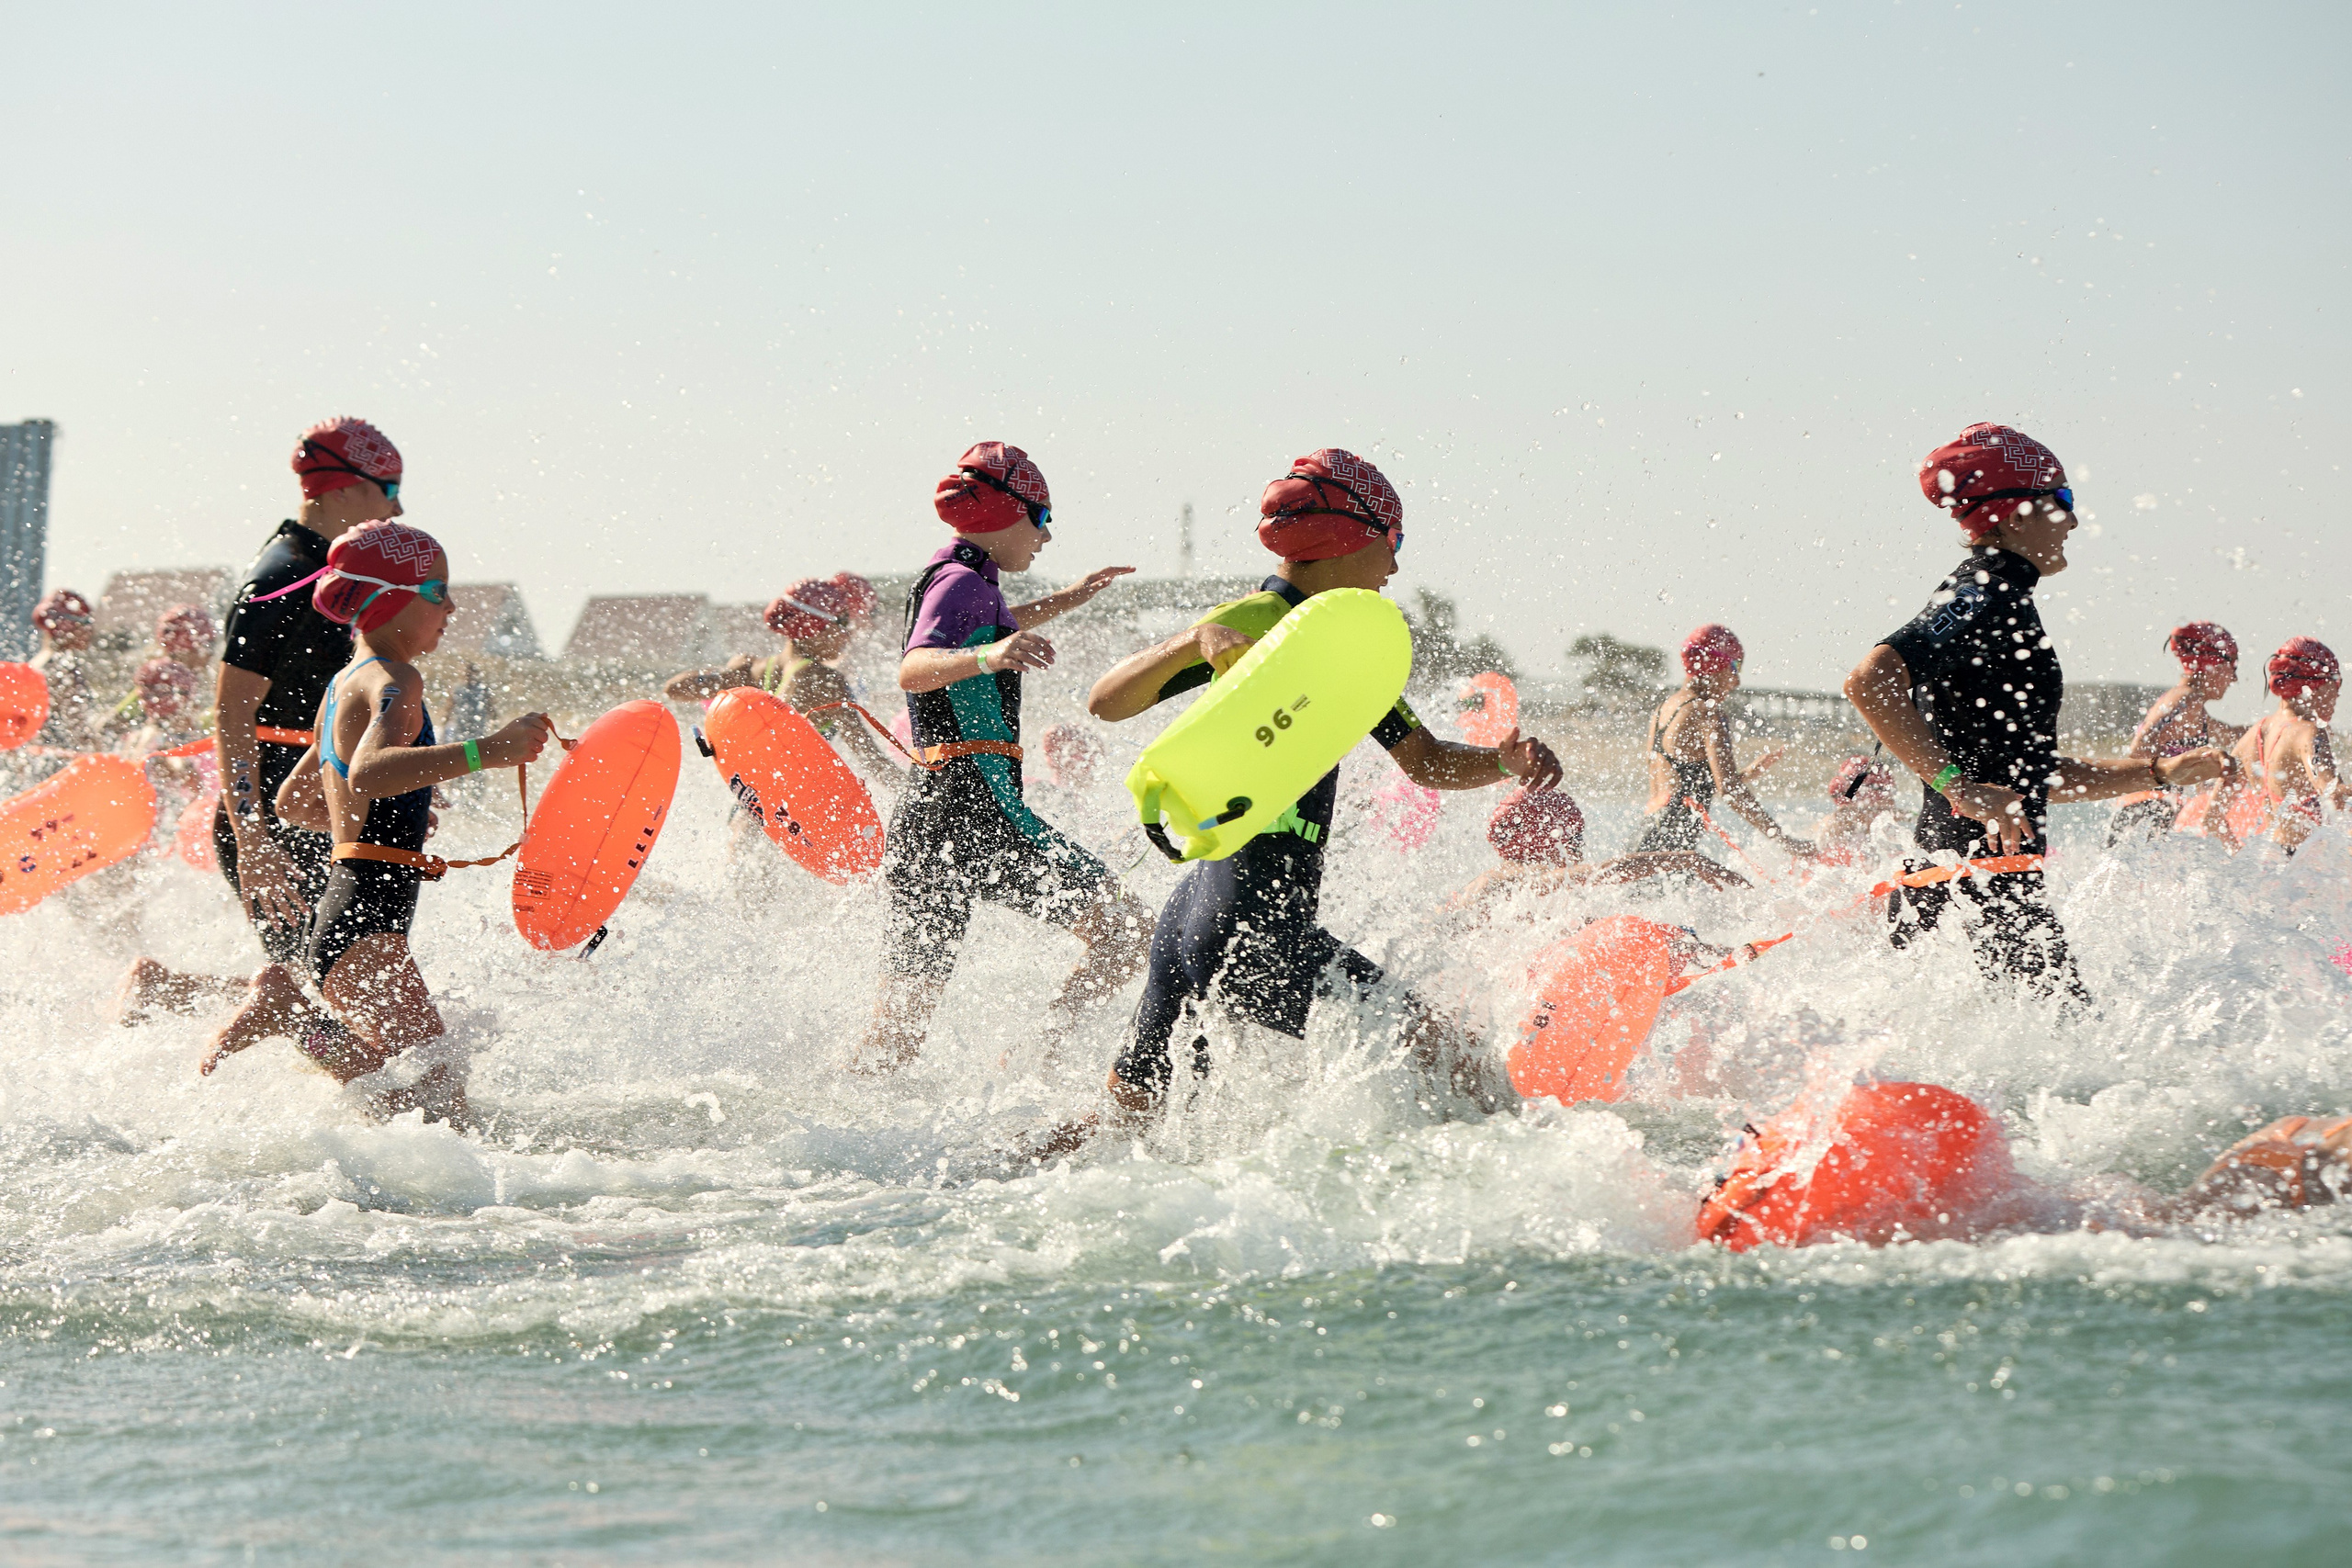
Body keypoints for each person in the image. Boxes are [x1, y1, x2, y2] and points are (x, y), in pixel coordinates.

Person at [1079, 449, 1564, 1130]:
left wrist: (1503, 762)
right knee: (1467, 1075)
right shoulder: (1253, 621)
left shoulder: (1342, 651)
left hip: (1195, 915)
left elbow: (1423, 760)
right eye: (1392, 542)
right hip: (1249, 920)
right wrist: (1196, 639)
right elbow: (1105, 701)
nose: (1394, 567)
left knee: (1122, 1131)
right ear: (1347, 537)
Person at [1842, 423, 2230, 1002]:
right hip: (1974, 872)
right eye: (2064, 500)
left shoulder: (2001, 600)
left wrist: (2156, 775)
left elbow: (2029, 776)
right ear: (2015, 514)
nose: (2074, 520)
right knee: (2069, 1048)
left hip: (1965, 871)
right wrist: (1958, 787)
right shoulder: (1985, 590)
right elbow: (1869, 682)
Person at [200, 521, 553, 1122]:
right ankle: (290, 1014)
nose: (453, 606)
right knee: (441, 1107)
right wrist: (487, 750)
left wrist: (393, 820)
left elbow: (295, 801)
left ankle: (292, 1015)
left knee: (406, 1105)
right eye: (439, 592)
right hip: (366, 918)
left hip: (348, 912)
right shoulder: (397, 679)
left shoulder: (341, 685)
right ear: (391, 598)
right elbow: (368, 772)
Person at [854, 442, 1153, 1072]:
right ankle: (1030, 1063)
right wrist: (990, 659)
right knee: (1127, 934)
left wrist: (1070, 598)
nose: (1046, 536)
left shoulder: (959, 582)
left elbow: (997, 622)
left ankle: (838, 1122)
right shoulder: (962, 584)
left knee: (897, 1033)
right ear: (1003, 513)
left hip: (927, 816)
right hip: (976, 809)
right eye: (1041, 519)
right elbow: (914, 668)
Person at [119, 418, 402, 1023]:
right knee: (333, 988)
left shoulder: (337, 571)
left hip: (318, 792)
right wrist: (253, 842)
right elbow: (231, 712)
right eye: (389, 485)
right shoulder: (280, 577)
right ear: (344, 487)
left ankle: (166, 991)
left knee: (338, 983)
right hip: (273, 810)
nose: (399, 504)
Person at [662, 574, 898, 776]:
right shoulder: (826, 681)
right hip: (793, 811)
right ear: (814, 627)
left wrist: (718, 678)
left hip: (750, 802)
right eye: (842, 622)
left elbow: (674, 689)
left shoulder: (748, 669)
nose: (848, 635)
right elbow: (872, 761)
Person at [1630, 625, 1810, 863]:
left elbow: (1679, 786)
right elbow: (1730, 791)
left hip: (1645, 839)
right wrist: (1785, 841)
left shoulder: (1663, 709)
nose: (1736, 681)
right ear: (1715, 666)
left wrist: (1745, 774)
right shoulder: (1708, 712)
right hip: (1672, 844)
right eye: (1735, 667)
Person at [1449, 787, 1746, 922]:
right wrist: (1686, 859)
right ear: (1547, 840)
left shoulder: (1501, 881)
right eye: (1575, 837)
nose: (1579, 848)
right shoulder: (1521, 878)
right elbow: (1607, 872)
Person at [2108, 621, 2245, 843]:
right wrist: (2167, 779)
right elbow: (2139, 748)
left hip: (2150, 808)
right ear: (2215, 664)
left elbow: (2233, 734)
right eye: (2233, 667)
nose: (2234, 679)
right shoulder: (2185, 699)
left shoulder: (2193, 705)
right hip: (2150, 809)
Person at [2222, 637, 2342, 854]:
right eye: (2336, 683)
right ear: (2314, 684)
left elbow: (2212, 819)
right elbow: (2332, 791)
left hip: (2271, 864)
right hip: (2306, 872)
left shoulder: (2251, 736)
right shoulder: (2310, 733)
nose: (2338, 695)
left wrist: (2242, 861)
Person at [27, 588, 103, 759]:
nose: (91, 631)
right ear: (67, 626)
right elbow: (77, 726)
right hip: (57, 762)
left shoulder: (33, 667)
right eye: (85, 623)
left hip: (35, 759)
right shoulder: (63, 668)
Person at [1809, 753, 1899, 866]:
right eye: (1888, 794)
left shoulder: (1886, 821)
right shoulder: (1838, 822)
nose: (1892, 802)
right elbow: (1810, 849)